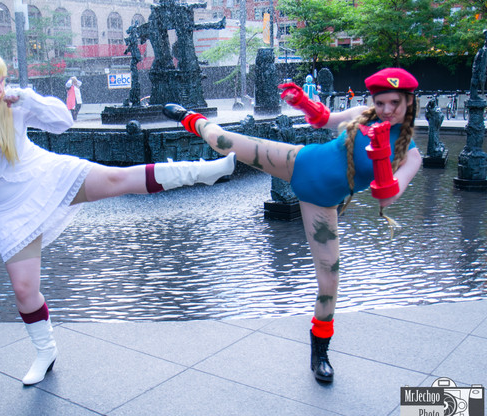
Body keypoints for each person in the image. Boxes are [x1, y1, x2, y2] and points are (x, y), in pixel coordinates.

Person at [0, 46, 236, 386]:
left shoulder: (11, 103)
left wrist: (28, 98)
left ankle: (203, 171)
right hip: (9, 210)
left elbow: (62, 121)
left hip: (46, 175)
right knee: (24, 290)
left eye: (2, 80)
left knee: (117, 179)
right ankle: (45, 351)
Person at [162, 68, 422, 383]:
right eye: (380, 103)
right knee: (222, 141)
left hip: (321, 204)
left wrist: (381, 156)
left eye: (394, 103)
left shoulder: (410, 155)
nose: (386, 110)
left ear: (409, 101)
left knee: (329, 283)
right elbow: (324, 120)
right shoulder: (361, 115)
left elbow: (387, 198)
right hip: (298, 161)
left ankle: (320, 354)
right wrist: (302, 102)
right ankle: (190, 117)